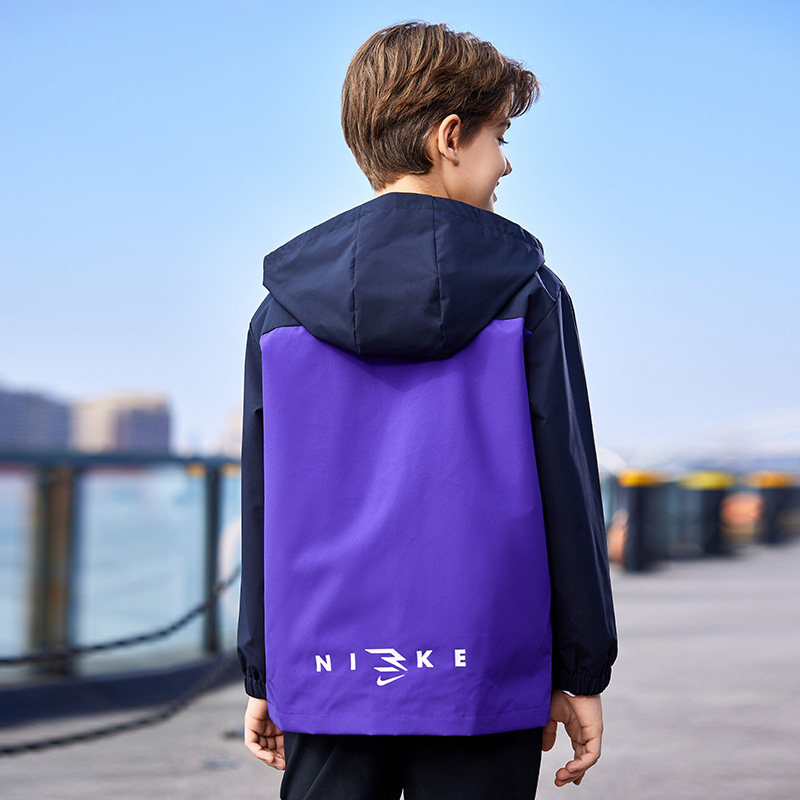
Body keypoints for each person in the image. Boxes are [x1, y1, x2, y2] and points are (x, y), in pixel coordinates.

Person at [237, 20, 618, 799]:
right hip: (486, 666)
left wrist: (265, 670)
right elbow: (566, 489)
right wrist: (580, 668)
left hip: (329, 666)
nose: (505, 161)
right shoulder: (526, 294)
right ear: (449, 138)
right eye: (499, 136)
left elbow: (265, 505)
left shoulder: (280, 313)